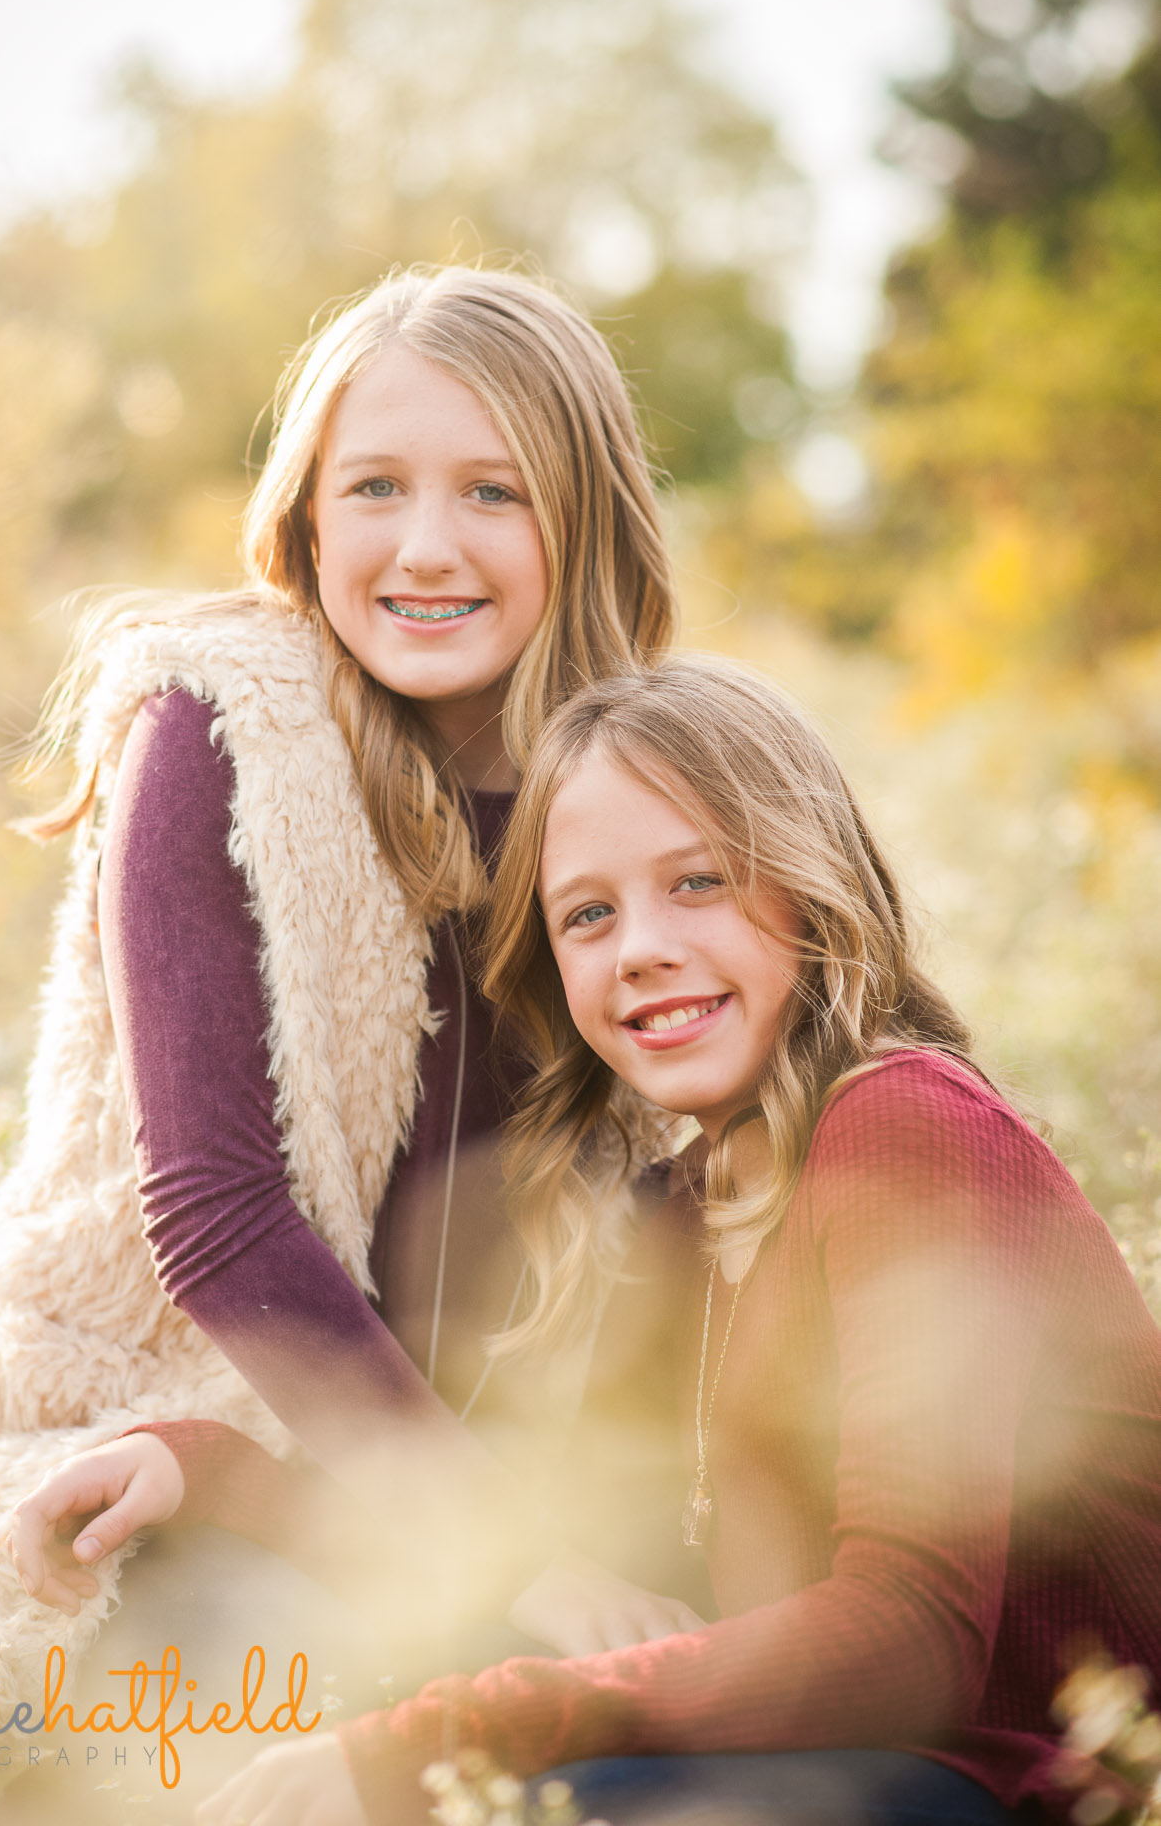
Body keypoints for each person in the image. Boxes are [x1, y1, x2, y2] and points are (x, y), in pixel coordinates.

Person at [0, 266, 694, 1742]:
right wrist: (513, 1556)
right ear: (303, 516)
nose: (426, 546)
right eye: (374, 487)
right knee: (321, 1706)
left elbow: (719, 1144)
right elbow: (216, 1212)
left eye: (493, 492)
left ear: (585, 517)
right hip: (177, 1435)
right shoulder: (221, 733)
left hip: (507, 1465)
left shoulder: (636, 777)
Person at [203, 657, 1161, 1826]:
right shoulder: (691, 1208)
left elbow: (908, 1641)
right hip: (861, 1767)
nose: (639, 947)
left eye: (698, 880)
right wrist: (204, 1470)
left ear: (809, 887)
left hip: (1038, 1778)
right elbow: (519, 1540)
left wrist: (447, 1735)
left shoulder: (905, 1122)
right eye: (588, 913)